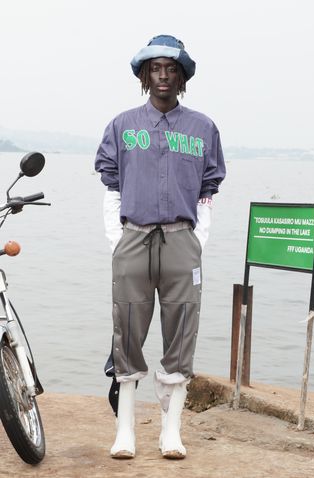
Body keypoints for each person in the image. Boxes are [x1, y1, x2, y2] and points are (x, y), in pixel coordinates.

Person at [95, 34, 226, 460]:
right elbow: (111, 182)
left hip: (181, 239)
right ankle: (126, 430)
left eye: (171, 68)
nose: (164, 76)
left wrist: (197, 237)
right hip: (133, 236)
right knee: (127, 329)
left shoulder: (203, 128)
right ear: (144, 75)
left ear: (183, 76)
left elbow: (209, 188)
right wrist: (118, 239)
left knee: (182, 328)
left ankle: (172, 430)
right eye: (156, 68)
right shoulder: (123, 125)